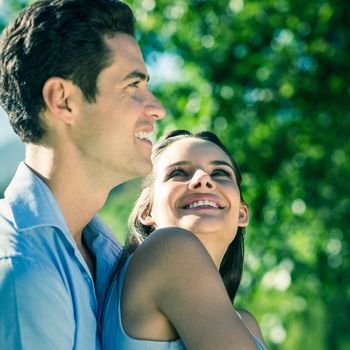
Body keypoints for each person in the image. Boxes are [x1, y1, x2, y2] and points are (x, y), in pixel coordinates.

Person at [0, 0, 164, 348]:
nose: (157, 108)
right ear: (62, 100)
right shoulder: (24, 270)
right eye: (132, 86)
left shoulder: (103, 251)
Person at [102, 130, 267, 350]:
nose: (203, 179)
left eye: (220, 172)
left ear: (241, 213)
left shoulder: (246, 323)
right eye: (178, 173)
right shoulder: (170, 249)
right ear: (146, 211)